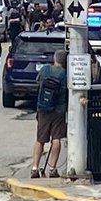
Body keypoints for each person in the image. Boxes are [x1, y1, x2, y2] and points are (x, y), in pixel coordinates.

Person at [30, 49, 68, 178]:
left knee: (40, 139)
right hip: (59, 110)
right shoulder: (65, 75)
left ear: (54, 59)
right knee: (56, 139)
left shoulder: (45, 70)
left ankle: (35, 168)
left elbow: (38, 82)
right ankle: (52, 168)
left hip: (43, 109)